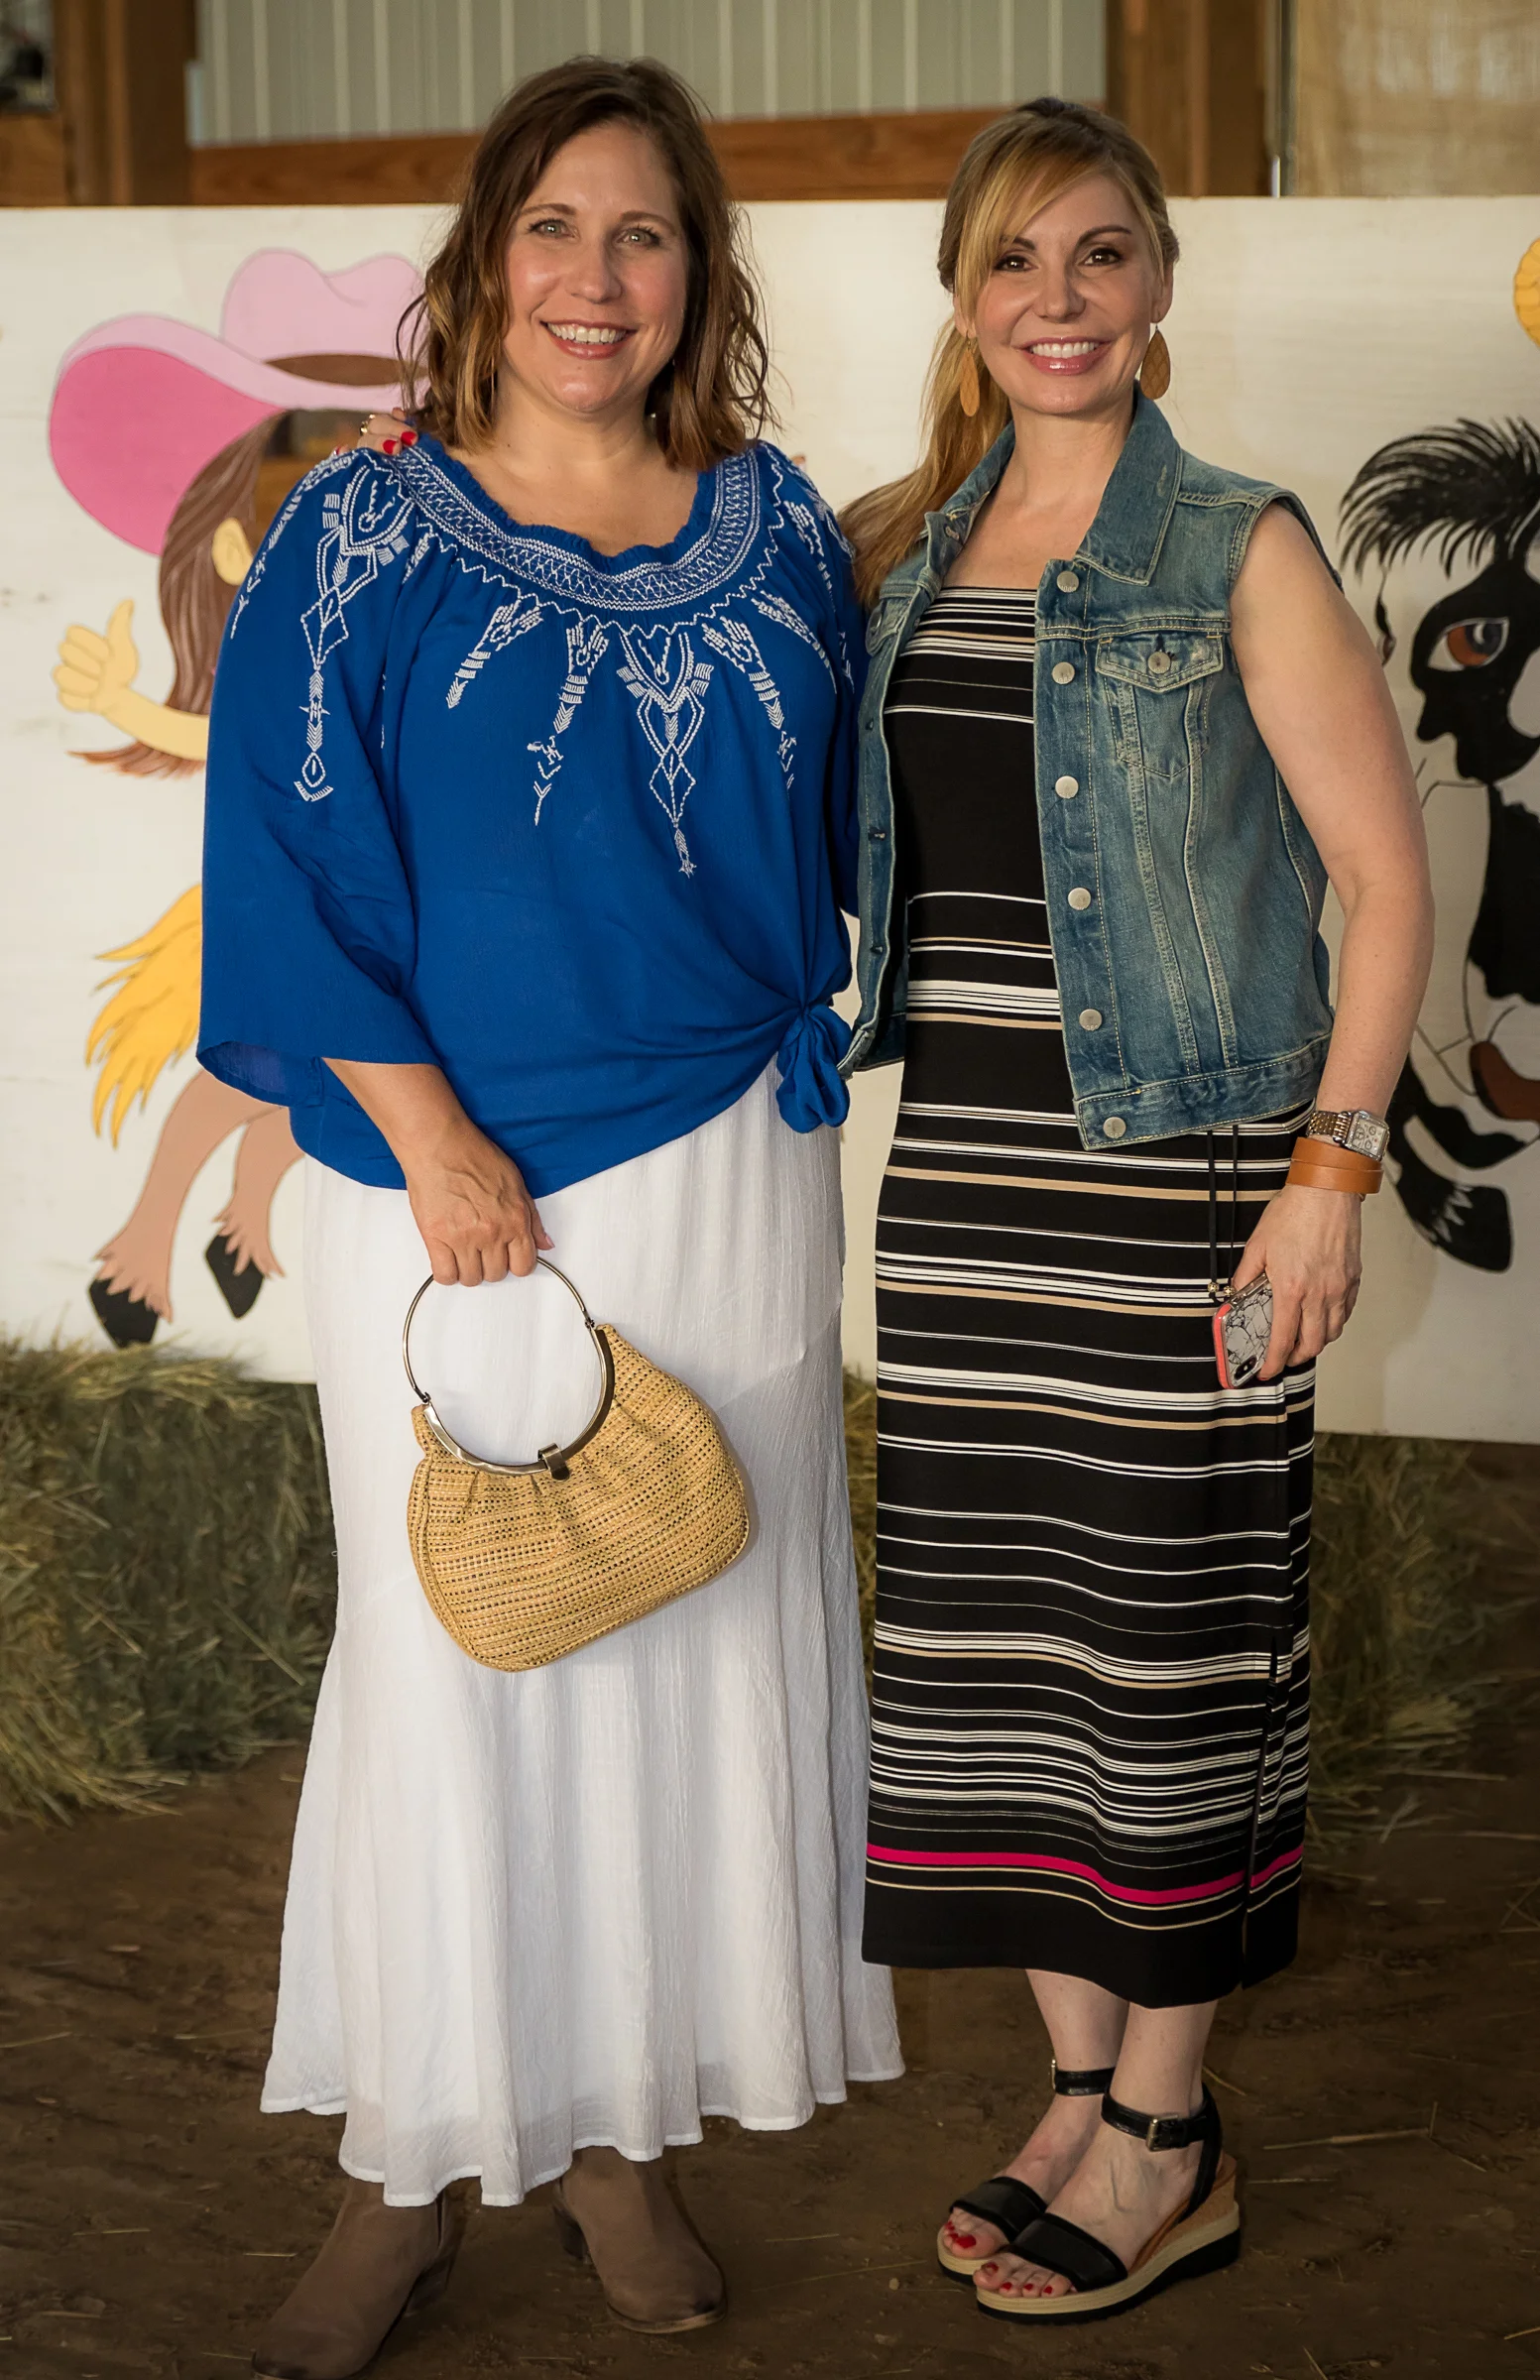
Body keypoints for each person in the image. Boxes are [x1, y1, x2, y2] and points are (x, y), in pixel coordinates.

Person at [198, 57, 899, 2379]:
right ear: (486, 257)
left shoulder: (777, 529)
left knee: (682, 1633)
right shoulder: (357, 533)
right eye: (557, 227)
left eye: (646, 232)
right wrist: (427, 1136)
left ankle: (613, 2135)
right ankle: (401, 2174)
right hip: (452, 1188)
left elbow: (852, 813)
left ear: (698, 271)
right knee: (451, 1664)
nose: (600, 276)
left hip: (728, 1170)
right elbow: (285, 857)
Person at [840, 98, 1433, 2323]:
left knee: (1163, 1661)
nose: (1057, 299)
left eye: (1099, 253)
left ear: (1160, 282)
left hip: (1179, 1184)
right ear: (963, 295)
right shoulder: (903, 550)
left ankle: (1172, 2135)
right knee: (1004, 1659)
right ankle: (1080, 2090)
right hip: (961, 1190)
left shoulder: (1235, 544)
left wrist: (1328, 1175)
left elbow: (1382, 881)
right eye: (1013, 259)